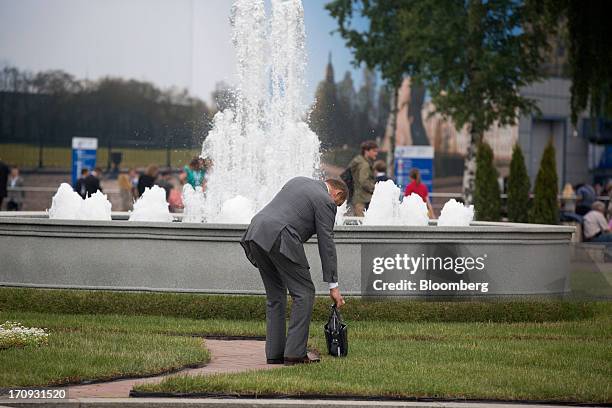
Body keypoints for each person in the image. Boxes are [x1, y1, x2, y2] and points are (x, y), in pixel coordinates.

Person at [240, 177, 347, 365]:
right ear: (337, 194)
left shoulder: (298, 181)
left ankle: (274, 353)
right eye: (339, 203)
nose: (335, 207)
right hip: (281, 235)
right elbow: (326, 243)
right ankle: (295, 354)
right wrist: (333, 286)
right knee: (304, 292)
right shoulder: (326, 200)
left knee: (275, 296)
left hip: (256, 231)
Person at [348, 140, 378, 216]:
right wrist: (376, 189)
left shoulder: (360, 161)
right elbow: (364, 181)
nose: (376, 153)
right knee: (362, 224)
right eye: (374, 151)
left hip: (359, 198)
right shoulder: (364, 165)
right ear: (366, 151)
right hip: (362, 199)